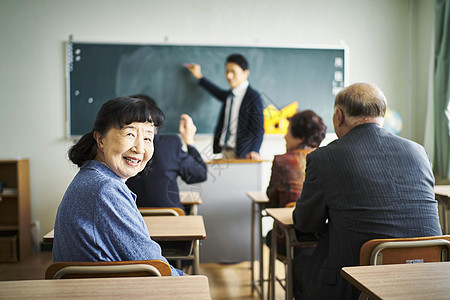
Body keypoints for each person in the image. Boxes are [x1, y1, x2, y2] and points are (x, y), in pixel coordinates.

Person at [292, 83, 442, 299]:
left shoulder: (323, 158)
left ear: (338, 116)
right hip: (426, 278)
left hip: (358, 283)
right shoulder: (418, 152)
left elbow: (305, 224)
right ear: (382, 113)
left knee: (298, 267)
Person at [52, 96, 183, 276]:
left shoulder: (93, 178)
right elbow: (154, 267)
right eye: (130, 134)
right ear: (101, 140)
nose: (140, 148)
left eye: (148, 138)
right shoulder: (105, 189)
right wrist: (185, 279)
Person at [126, 94, 207, 213]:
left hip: (130, 219)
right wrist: (189, 141)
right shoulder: (170, 144)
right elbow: (199, 174)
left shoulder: (115, 149)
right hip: (171, 219)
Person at [265, 110, 326, 255]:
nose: (285, 136)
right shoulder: (327, 160)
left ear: (300, 137)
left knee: (269, 236)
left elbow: (272, 199)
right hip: (323, 239)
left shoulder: (283, 161)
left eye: (288, 131)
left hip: (290, 237)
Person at [185, 54, 264, 160]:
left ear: (245, 73)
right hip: (225, 151)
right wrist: (199, 77)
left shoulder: (253, 97)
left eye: (233, 72)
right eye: (227, 71)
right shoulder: (229, 96)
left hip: (242, 154)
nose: (229, 76)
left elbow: (258, 128)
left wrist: (254, 150)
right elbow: (215, 91)